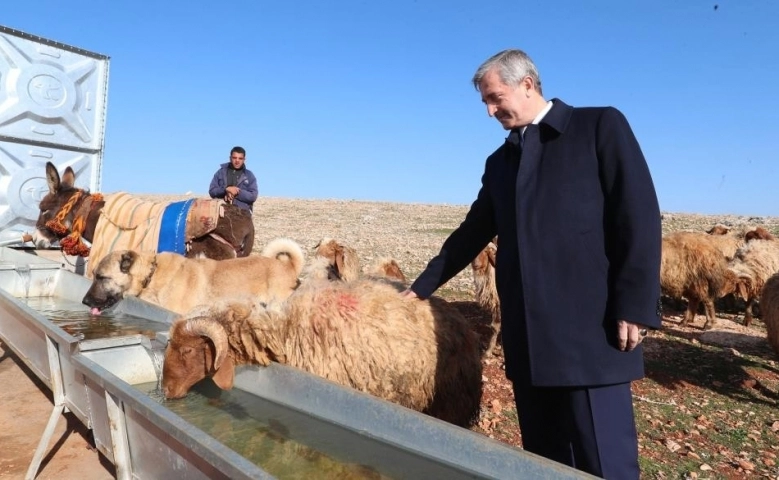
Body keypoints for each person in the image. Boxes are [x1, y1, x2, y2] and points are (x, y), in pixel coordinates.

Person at [403, 49, 662, 479]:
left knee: (606, 464)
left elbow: (637, 213)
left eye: (494, 97)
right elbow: (472, 232)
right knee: (545, 464)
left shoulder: (598, 126)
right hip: (529, 343)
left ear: (527, 84)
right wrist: (421, 287)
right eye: (484, 102)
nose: (489, 110)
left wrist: (634, 304)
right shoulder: (501, 161)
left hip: (590, 336)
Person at [208, 146, 258, 212]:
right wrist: (226, 190)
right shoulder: (220, 172)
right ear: (230, 158)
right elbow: (212, 191)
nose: (237, 161)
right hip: (221, 213)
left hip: (242, 215)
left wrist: (236, 192)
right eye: (234, 158)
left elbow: (253, 196)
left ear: (244, 159)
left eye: (240, 158)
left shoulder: (249, 175)